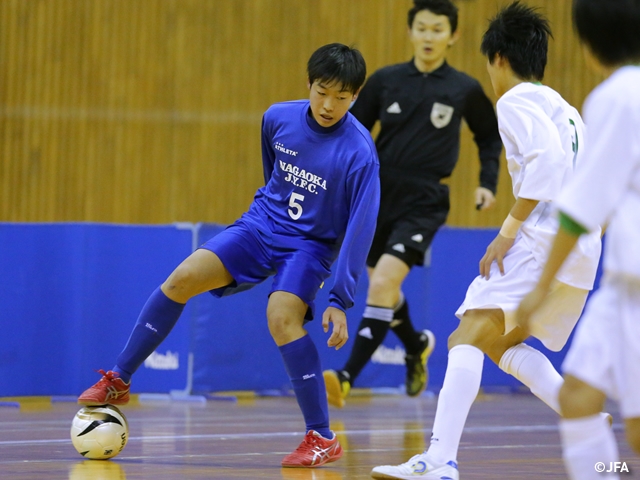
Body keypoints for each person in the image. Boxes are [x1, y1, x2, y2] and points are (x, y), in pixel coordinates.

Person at [76, 43, 381, 469]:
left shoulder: (360, 152)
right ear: (307, 83)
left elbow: (361, 229)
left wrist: (339, 299)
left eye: (342, 97)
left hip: (309, 246)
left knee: (282, 318)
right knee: (182, 278)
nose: (329, 105)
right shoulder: (277, 118)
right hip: (260, 225)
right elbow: (271, 172)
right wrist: (265, 218)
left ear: (356, 96)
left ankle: (322, 437)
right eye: (322, 91)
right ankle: (119, 379)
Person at [371, 2, 604, 478]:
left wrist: (506, 233)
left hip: (543, 238)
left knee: (465, 336)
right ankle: (581, 415)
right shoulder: (566, 107)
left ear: (497, 58)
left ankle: (438, 460)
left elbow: (547, 169)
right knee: (497, 345)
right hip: (582, 246)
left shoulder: (516, 101)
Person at [323, 0, 502, 409]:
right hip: (377, 195)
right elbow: (354, 132)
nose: (429, 36)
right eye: (422, 27)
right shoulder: (385, 81)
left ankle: (347, 376)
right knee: (383, 287)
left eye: (437, 29)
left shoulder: (464, 89)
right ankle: (417, 343)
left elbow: (488, 138)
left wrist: (486, 184)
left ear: (452, 36)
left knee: (383, 283)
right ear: (411, 31)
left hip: (425, 200)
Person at [516, 0, 640, 478]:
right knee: (580, 397)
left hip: (631, 289)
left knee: (591, 404)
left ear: (589, 46)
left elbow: (581, 210)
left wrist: (540, 286)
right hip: (621, 289)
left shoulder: (617, 96)